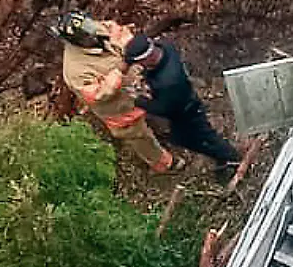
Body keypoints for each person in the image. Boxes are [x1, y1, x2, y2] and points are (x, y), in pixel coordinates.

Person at [50, 11, 175, 175]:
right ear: (75, 41)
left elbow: (118, 32)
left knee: (157, 107)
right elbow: (97, 95)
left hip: (136, 85)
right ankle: (163, 164)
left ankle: (163, 126)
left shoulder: (94, 28)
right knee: (140, 137)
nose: (94, 35)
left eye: (92, 27)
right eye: (88, 36)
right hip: (119, 107)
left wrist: (132, 45)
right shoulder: (75, 71)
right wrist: (119, 70)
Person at [120, 32, 242, 184]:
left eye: (140, 62)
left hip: (186, 112)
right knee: (183, 138)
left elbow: (164, 109)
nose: (140, 66)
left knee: (202, 137)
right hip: (183, 101)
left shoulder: (168, 81)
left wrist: (138, 101)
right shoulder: (164, 46)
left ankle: (232, 158)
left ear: (148, 58)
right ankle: (222, 156)